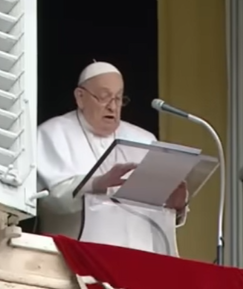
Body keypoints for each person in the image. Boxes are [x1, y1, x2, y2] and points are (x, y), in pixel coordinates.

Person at [36, 61, 188, 252]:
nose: (112, 107)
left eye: (118, 98)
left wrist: (173, 206)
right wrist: (96, 184)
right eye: (104, 97)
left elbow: (152, 214)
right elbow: (48, 203)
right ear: (80, 97)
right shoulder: (53, 133)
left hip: (138, 259)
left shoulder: (144, 140)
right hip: (77, 258)